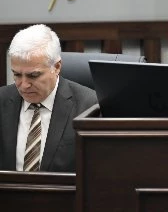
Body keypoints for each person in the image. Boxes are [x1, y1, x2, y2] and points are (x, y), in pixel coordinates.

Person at [0, 24, 98, 172]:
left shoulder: (89, 106)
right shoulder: (2, 100)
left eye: (33, 75)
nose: (24, 85)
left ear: (56, 67)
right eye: (17, 74)